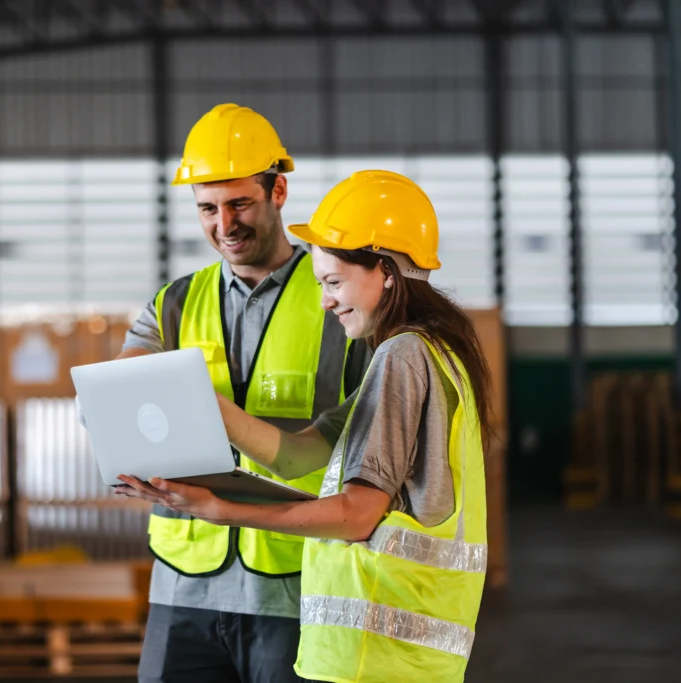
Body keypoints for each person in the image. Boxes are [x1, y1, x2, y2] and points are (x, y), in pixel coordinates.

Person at [117, 170, 491, 683]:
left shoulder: (401, 356)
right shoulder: (437, 354)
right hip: (401, 652)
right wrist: (205, 407)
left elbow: (357, 515)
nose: (325, 301)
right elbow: (295, 455)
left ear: (386, 270)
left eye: (334, 283)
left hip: (374, 652)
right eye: (321, 285)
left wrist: (222, 510)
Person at [117, 103, 373, 683]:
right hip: (184, 578)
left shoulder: (337, 300)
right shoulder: (175, 303)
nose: (224, 225)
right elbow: (122, 393)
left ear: (278, 191)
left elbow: (364, 436)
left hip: (293, 576)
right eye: (207, 208)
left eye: (239, 204)